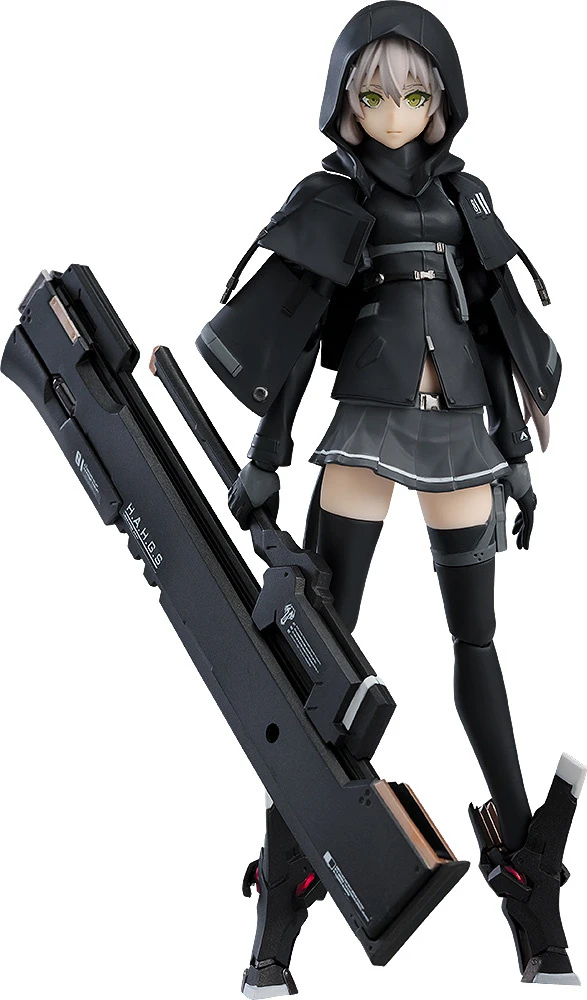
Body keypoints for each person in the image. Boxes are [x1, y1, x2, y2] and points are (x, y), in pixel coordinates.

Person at [197, 3, 580, 993]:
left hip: (462, 435)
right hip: (365, 429)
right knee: (317, 664)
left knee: (476, 646)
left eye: (413, 92)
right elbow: (291, 337)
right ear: (344, 102)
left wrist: (517, 459)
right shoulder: (332, 199)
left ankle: (525, 871)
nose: (396, 110)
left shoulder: (466, 198)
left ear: (440, 99)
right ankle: (285, 889)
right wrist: (266, 455)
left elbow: (492, 329)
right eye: (374, 94)